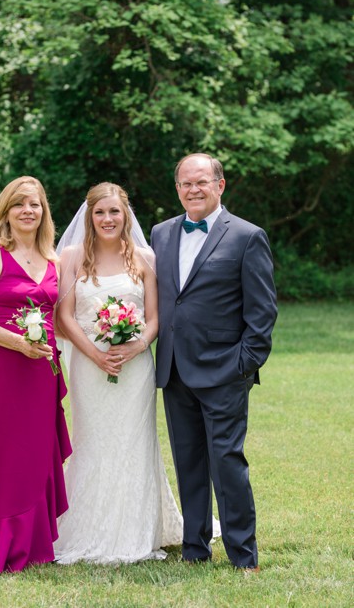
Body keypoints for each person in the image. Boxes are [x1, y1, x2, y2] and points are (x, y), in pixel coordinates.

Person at [150, 153, 277, 572]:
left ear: (220, 185)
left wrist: (243, 364)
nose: (193, 190)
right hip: (173, 369)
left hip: (225, 370)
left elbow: (262, 313)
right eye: (185, 183)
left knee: (227, 463)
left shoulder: (246, 236)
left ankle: (244, 555)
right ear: (177, 189)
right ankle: (195, 548)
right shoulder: (162, 233)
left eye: (201, 182)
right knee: (189, 463)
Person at [52, 182, 183, 564]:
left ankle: (136, 532)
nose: (107, 219)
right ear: (89, 217)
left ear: (126, 215)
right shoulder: (74, 256)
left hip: (135, 368)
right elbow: (64, 314)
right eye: (100, 212)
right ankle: (86, 530)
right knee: (93, 441)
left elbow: (156, 318)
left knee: (133, 443)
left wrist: (136, 345)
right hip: (89, 367)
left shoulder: (144, 258)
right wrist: (94, 353)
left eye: (114, 212)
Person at [0, 176, 72, 572]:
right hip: (3, 369)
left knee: (37, 455)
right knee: (1, 456)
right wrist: (17, 342)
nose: (28, 210)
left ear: (44, 212)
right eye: (19, 204)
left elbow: (62, 318)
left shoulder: (53, 259)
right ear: (5, 210)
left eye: (35, 204)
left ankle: (36, 544)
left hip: (42, 372)